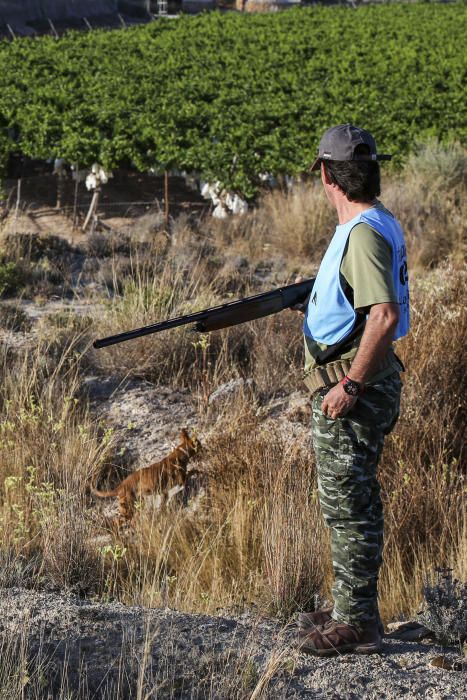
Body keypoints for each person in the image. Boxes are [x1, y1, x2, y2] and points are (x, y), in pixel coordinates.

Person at [297, 124, 410, 656]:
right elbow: (359, 304)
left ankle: (358, 621)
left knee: (350, 506)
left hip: (358, 390)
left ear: (325, 175)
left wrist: (350, 384)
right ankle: (352, 605)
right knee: (353, 500)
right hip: (366, 382)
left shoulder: (362, 233)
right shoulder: (374, 223)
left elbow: (383, 315)